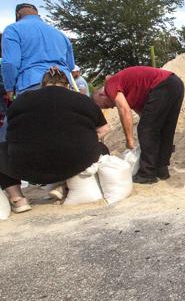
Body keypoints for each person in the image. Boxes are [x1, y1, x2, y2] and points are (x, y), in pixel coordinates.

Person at [0, 67, 109, 213]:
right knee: (101, 149)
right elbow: (104, 129)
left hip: (28, 168)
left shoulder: (21, 100)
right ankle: (64, 184)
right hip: (75, 163)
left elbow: (10, 135)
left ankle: (18, 200)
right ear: (68, 85)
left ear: (42, 84)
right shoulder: (83, 99)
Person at [93, 66, 184, 184]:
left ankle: (147, 174)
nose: (110, 107)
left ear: (101, 95)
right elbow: (145, 116)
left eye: (105, 105)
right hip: (175, 84)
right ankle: (161, 170)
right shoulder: (131, 91)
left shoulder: (110, 85)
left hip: (162, 85)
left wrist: (129, 140)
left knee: (146, 129)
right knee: (165, 129)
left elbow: (124, 111)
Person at [1, 3, 75, 97]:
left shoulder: (13, 29)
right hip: (63, 85)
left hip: (32, 85)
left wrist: (10, 88)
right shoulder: (60, 34)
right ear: (38, 15)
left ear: (18, 15)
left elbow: (10, 63)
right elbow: (71, 65)